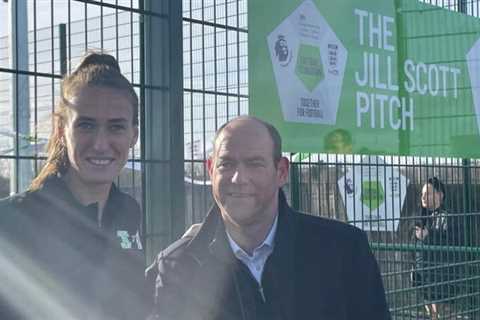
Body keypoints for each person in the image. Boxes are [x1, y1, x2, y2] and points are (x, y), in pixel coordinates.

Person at [146, 116, 391, 320]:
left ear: (281, 171)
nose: (238, 178)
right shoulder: (177, 267)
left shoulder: (344, 250)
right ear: (210, 169)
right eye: (226, 164)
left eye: (254, 164)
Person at [0, 52, 147, 320]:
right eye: (86, 125)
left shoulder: (128, 212)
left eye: (116, 127)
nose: (100, 143)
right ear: (61, 130)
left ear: (133, 135)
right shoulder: (11, 221)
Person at [411, 177, 463, 320]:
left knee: (444, 313)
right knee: (432, 313)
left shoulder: (449, 216)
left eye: (428, 193)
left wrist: (429, 236)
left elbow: (453, 243)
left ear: (440, 194)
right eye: (422, 194)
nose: (423, 197)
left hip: (442, 277)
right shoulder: (422, 216)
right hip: (423, 275)